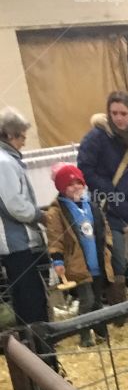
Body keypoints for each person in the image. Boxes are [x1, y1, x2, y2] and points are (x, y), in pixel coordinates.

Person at [77, 90, 128, 284]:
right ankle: (119, 298)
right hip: (106, 207)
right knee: (117, 261)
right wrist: (109, 191)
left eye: (123, 113)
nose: (118, 118)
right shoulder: (96, 137)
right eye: (114, 113)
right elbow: (85, 170)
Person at [44, 164, 119, 347]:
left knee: (97, 301)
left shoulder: (91, 206)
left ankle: (101, 333)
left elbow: (105, 228)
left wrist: (108, 247)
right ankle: (85, 335)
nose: (76, 187)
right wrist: (58, 260)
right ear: (62, 188)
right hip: (77, 264)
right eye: (70, 184)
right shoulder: (56, 212)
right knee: (87, 301)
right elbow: (55, 238)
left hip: (97, 261)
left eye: (79, 183)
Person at [0, 106, 52, 360]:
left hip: (19, 244)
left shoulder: (8, 161)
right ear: (10, 135)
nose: (24, 141)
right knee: (31, 308)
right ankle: (42, 363)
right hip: (17, 245)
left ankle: (40, 362)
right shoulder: (4, 162)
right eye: (21, 136)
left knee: (31, 304)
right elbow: (14, 204)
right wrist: (39, 216)